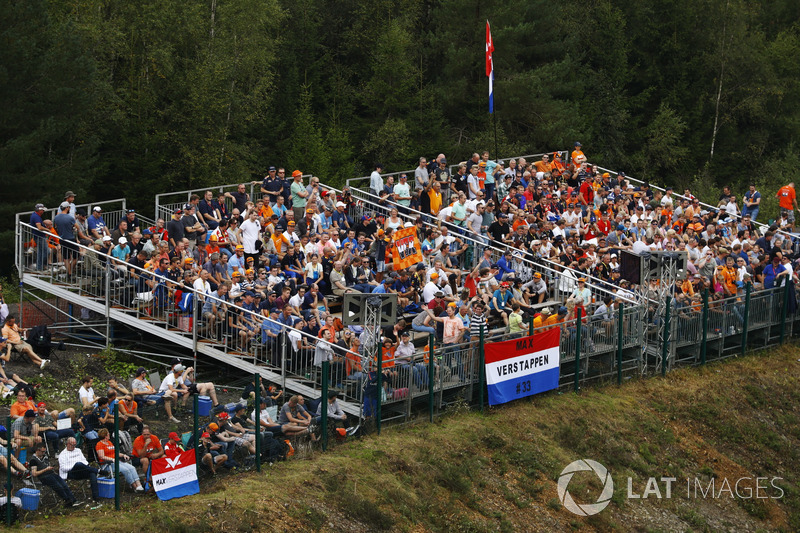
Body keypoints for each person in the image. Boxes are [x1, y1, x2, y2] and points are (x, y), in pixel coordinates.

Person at [29, 443, 81, 507]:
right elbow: (34, 473)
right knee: (58, 486)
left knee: (64, 484)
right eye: (42, 451)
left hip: (51, 473)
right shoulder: (33, 460)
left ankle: (74, 500)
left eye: (44, 451)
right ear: (37, 450)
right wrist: (45, 470)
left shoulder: (45, 456)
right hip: (43, 477)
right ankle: (67, 500)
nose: (43, 453)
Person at [95, 428, 145, 492]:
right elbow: (101, 456)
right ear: (105, 436)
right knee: (126, 470)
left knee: (132, 468)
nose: (109, 434)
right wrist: (112, 459)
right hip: (107, 464)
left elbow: (115, 453)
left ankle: (139, 485)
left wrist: (123, 455)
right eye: (108, 434)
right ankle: (134, 486)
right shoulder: (99, 444)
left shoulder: (109, 442)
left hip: (116, 462)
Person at [58, 437, 102, 505]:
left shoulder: (78, 450)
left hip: (81, 470)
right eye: (72, 445)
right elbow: (63, 468)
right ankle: (98, 471)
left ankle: (96, 497)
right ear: (67, 444)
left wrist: (81, 465)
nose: (74, 447)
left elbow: (84, 461)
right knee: (78, 464)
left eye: (75, 445)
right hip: (70, 472)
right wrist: (74, 466)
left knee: (92, 473)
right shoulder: (62, 455)